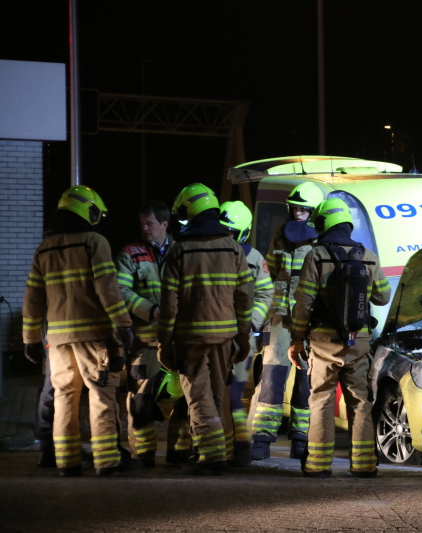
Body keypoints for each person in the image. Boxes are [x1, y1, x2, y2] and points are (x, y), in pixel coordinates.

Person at [22, 185, 138, 477]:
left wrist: (30, 339)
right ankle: (107, 461)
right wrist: (123, 323)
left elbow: (32, 299)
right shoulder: (93, 241)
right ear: (88, 210)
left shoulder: (44, 248)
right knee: (101, 397)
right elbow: (107, 288)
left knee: (63, 397)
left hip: (58, 341)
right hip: (94, 336)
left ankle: (66, 462)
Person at [289, 198, 391, 478]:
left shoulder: (316, 255)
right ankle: (365, 464)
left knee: (321, 399)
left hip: (322, 341)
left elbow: (303, 303)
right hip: (357, 340)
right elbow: (383, 297)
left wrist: (297, 338)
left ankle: (318, 465)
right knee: (359, 401)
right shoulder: (367, 256)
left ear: (322, 224)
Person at [157, 183, 254, 475]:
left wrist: (165, 342)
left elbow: (169, 304)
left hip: (191, 339)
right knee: (218, 396)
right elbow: (245, 297)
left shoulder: (179, 251)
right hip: (225, 337)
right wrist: (243, 336)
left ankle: (211, 457)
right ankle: (217, 451)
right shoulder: (233, 247)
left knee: (199, 399)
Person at [248, 183, 323, 460]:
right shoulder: (280, 234)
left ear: (314, 212)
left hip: (308, 319)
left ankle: (300, 439)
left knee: (305, 381)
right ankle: (262, 440)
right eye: (295, 207)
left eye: (304, 208)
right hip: (279, 319)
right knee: (272, 377)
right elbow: (270, 272)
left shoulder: (320, 240)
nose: (298, 212)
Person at [116, 200, 190, 466]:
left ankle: (179, 452)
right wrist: (152, 309)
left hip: (179, 342)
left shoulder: (183, 251)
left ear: (164, 224)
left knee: (186, 401)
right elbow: (122, 292)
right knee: (140, 401)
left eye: (150, 223)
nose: (145, 228)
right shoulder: (130, 253)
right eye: (142, 224)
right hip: (145, 344)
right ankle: (143, 455)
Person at [218, 200, 274, 465]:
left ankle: (240, 445)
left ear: (243, 232)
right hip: (216, 333)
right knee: (217, 393)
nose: (228, 235)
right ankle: (230, 445)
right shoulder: (214, 252)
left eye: (232, 231)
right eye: (224, 230)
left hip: (242, 338)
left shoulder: (255, 258)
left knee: (233, 392)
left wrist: (253, 323)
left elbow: (266, 292)